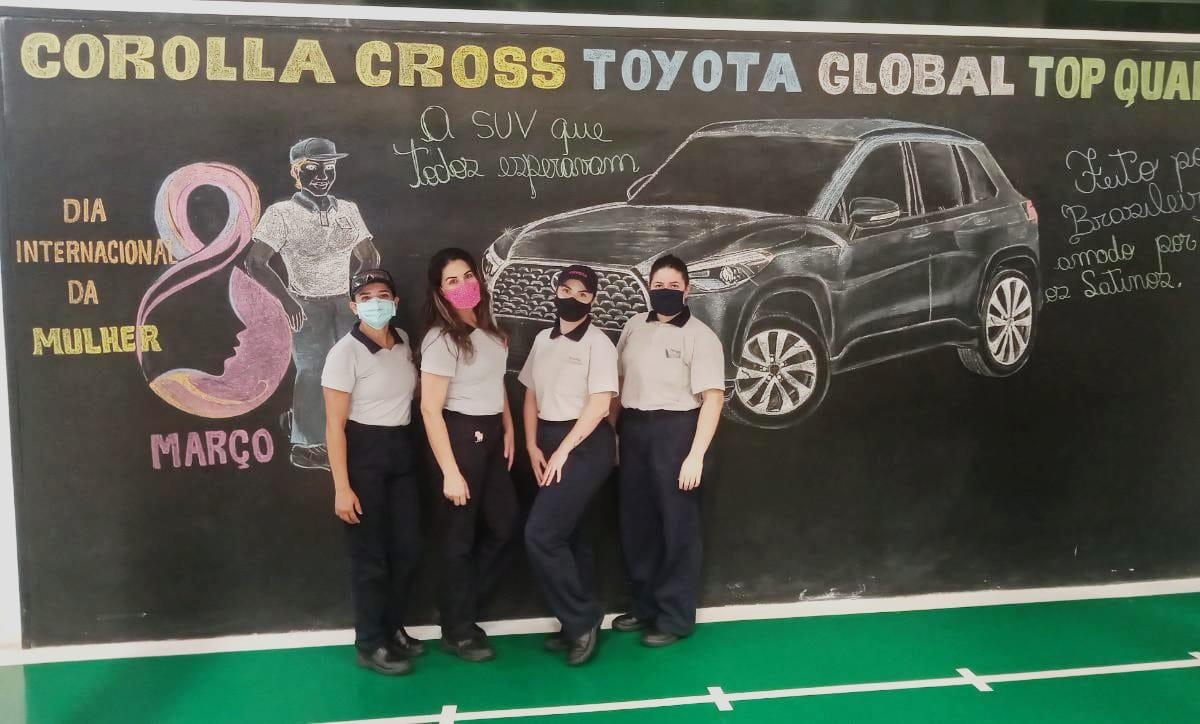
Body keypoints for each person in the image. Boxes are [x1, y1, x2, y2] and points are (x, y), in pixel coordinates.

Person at [610, 254, 725, 647]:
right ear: (648, 288)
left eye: (673, 286)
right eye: (658, 286)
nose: (665, 292)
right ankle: (644, 607)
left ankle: (675, 618)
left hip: (677, 433)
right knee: (637, 524)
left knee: (678, 527)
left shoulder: (701, 336)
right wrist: (613, 433)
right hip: (634, 429)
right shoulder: (631, 328)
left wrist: (695, 456)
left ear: (687, 289)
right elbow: (618, 381)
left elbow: (712, 399)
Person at [248, 137, 381, 471]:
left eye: (329, 168)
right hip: (306, 305)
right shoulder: (282, 214)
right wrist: (287, 300)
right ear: (296, 171)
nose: (322, 175)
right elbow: (256, 262)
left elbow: (369, 255)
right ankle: (307, 445)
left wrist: (357, 293)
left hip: (343, 302)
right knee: (312, 371)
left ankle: (352, 436)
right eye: (312, 169)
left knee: (354, 368)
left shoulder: (347, 210)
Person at [321, 268, 424, 675]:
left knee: (408, 548)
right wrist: (342, 487)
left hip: (401, 449)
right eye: (365, 297)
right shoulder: (343, 353)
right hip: (363, 451)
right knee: (369, 558)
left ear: (395, 303)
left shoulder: (404, 344)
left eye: (383, 294)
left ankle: (392, 626)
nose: (375, 302)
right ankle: (370, 643)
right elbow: (333, 427)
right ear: (353, 305)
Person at [418, 248, 518, 663]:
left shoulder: (491, 330)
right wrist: (450, 472)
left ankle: (462, 606)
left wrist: (509, 426)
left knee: (504, 524)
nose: (462, 286)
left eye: (467, 276)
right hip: (459, 437)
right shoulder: (441, 339)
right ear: (440, 292)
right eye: (451, 281)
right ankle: (456, 630)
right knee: (458, 539)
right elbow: (429, 408)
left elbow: (496, 384)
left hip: (493, 434)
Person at [519, 265, 619, 667]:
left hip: (584, 445)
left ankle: (582, 620)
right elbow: (529, 394)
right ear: (555, 291)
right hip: (547, 438)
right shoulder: (543, 339)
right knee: (572, 536)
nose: (572, 297)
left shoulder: (600, 344)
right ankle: (572, 618)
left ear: (592, 299)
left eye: (582, 292)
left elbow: (600, 404)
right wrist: (531, 444)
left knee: (541, 535)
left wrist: (563, 450)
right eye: (566, 288)